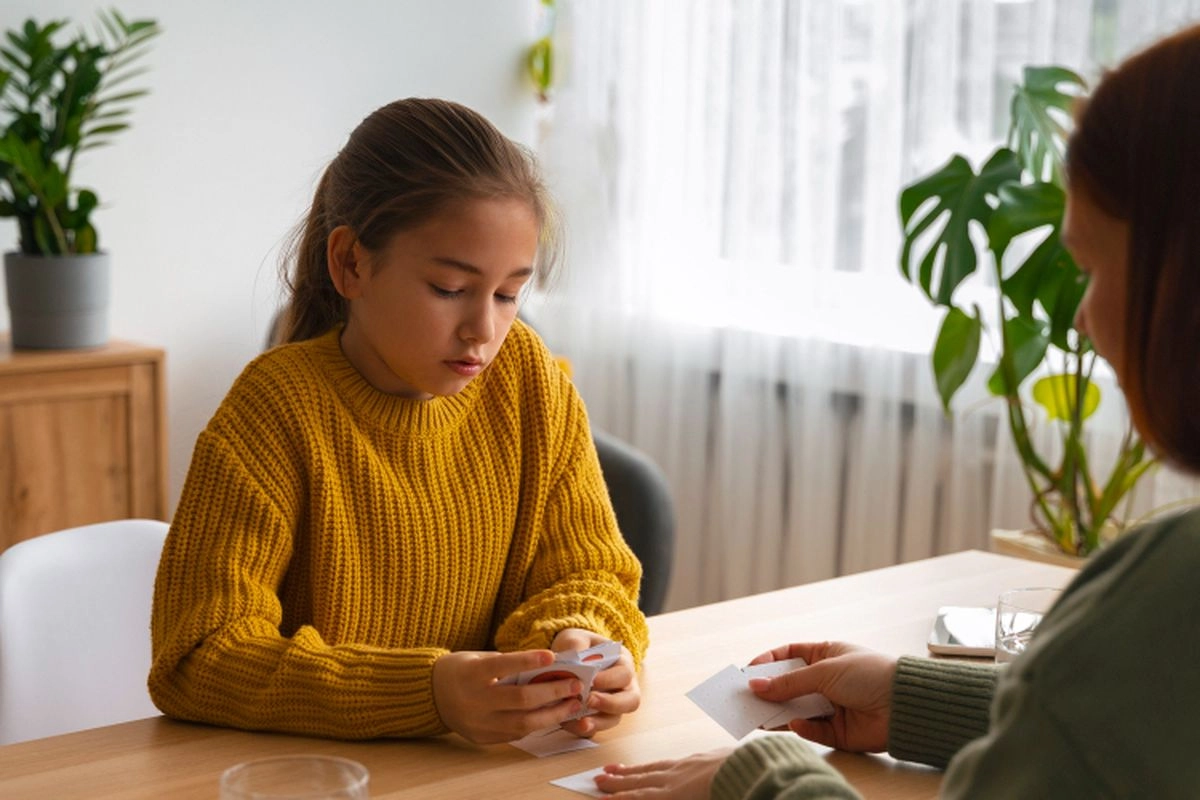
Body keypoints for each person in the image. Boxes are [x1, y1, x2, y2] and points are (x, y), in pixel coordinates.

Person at [593, 22, 1200, 800]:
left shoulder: (1170, 587)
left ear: (1179, 278)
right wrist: (919, 700)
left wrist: (760, 774)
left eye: (1088, 265)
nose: (1080, 318)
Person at [148, 98, 649, 744]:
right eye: (448, 289)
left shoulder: (531, 380)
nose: (485, 330)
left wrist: (578, 637)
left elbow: (592, 573)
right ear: (351, 264)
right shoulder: (273, 410)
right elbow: (197, 657)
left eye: (508, 294)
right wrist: (428, 692)